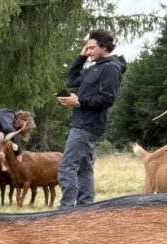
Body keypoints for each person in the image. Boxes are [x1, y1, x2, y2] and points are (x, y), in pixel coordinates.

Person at [56, 29, 127, 207]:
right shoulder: (96, 66)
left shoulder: (110, 68)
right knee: (84, 169)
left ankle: (66, 211)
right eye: (87, 48)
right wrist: (81, 57)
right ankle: (86, 210)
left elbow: (107, 98)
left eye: (92, 48)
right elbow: (72, 81)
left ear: (104, 47)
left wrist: (78, 102)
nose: (88, 52)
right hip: (84, 124)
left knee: (67, 167)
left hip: (86, 126)